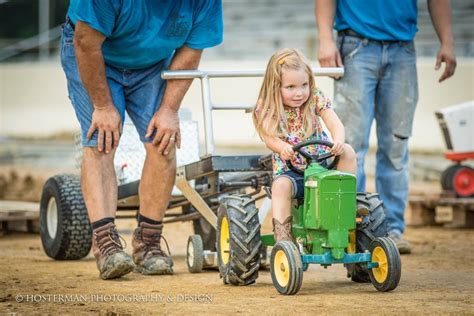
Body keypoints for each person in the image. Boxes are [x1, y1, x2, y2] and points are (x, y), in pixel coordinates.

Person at [60, 0, 223, 279]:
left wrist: (169, 110)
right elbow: (85, 42)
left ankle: (148, 244)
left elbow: (192, 49)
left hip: (150, 64)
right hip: (94, 55)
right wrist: (103, 106)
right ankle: (106, 245)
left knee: (163, 141)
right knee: (102, 139)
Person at [315, 0, 457, 254]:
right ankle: (352, 228)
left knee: (395, 144)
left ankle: (391, 230)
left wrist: (447, 41)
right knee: (349, 146)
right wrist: (325, 38)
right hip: (356, 45)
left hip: (403, 49)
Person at [253, 48, 357, 242]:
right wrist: (281, 147)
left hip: (322, 164)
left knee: (348, 152)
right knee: (280, 186)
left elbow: (335, 123)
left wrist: (338, 140)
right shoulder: (268, 106)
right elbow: (267, 135)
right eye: (290, 87)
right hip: (292, 170)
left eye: (304, 85)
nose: (299, 93)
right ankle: (283, 236)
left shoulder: (315, 97)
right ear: (275, 87)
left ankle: (347, 207)